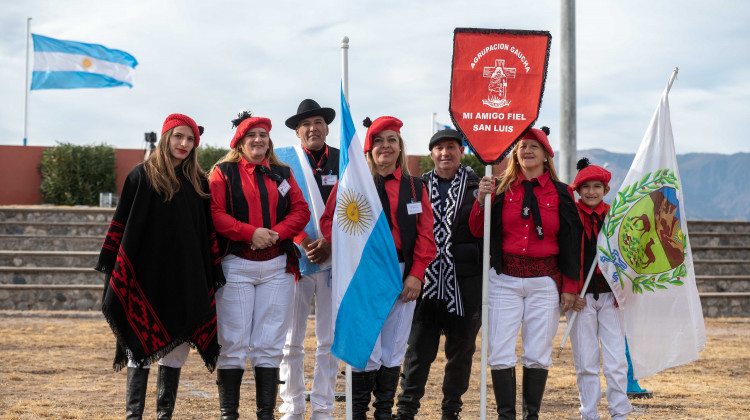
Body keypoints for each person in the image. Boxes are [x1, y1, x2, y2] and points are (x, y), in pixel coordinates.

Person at [96, 113, 225, 420]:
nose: (184, 144)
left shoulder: (198, 184)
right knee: (138, 349)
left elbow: (203, 236)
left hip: (184, 281)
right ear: (167, 137)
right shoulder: (140, 177)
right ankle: (133, 416)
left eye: (191, 139)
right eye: (179, 136)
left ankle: (164, 416)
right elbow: (123, 229)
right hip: (144, 278)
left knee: (177, 351)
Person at [320, 116, 437, 420]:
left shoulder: (415, 187)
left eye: (392, 140)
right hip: (363, 274)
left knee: (393, 348)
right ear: (369, 148)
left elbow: (426, 235)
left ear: (400, 147)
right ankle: (358, 413)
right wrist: (346, 247)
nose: (386, 146)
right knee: (365, 345)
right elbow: (328, 222)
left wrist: (416, 274)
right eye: (379, 140)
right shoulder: (352, 183)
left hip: (402, 273)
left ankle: (383, 412)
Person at [470, 126, 582, 420]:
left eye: (535, 146)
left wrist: (571, 285)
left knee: (537, 354)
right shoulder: (498, 188)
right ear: (515, 155)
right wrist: (481, 202)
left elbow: (572, 241)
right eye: (522, 146)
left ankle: (531, 416)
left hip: (545, 282)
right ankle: (506, 416)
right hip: (503, 280)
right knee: (500, 352)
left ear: (547, 155)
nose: (528, 151)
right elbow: (477, 230)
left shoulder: (563, 193)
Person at [209, 112, 311, 420]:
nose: (258, 139)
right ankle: (230, 414)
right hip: (236, 266)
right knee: (234, 342)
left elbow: (300, 210)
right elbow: (214, 212)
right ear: (239, 142)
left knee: (270, 344)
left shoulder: (282, 171)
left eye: (263, 135)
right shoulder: (222, 171)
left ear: (270, 141)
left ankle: (265, 414)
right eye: (251, 135)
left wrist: (277, 233)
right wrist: (248, 232)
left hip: (277, 266)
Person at [395, 129, 482, 420]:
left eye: (451, 147)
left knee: (461, 352)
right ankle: (406, 409)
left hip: (465, 282)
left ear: (461, 152)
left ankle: (451, 411)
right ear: (432, 154)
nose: (445, 153)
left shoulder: (477, 186)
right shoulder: (415, 186)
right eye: (439, 148)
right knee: (418, 350)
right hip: (424, 281)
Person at [278, 99, 340, 420]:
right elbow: (280, 209)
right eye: (307, 124)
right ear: (298, 130)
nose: (313, 128)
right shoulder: (284, 164)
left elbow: (355, 209)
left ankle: (324, 407)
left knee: (329, 341)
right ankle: (291, 406)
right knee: (291, 341)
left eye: (318, 122)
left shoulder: (344, 162)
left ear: (327, 127)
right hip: (296, 260)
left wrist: (330, 242)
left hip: (334, 261)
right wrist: (303, 241)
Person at [567, 158, 633, 420]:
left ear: (606, 190)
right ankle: (589, 414)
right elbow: (564, 255)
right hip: (580, 299)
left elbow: (629, 255)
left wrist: (623, 289)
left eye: (597, 186)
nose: (591, 192)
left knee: (616, 361)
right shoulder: (570, 215)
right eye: (586, 187)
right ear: (578, 189)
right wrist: (571, 291)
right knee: (586, 363)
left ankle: (619, 413)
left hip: (611, 297)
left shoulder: (617, 218)